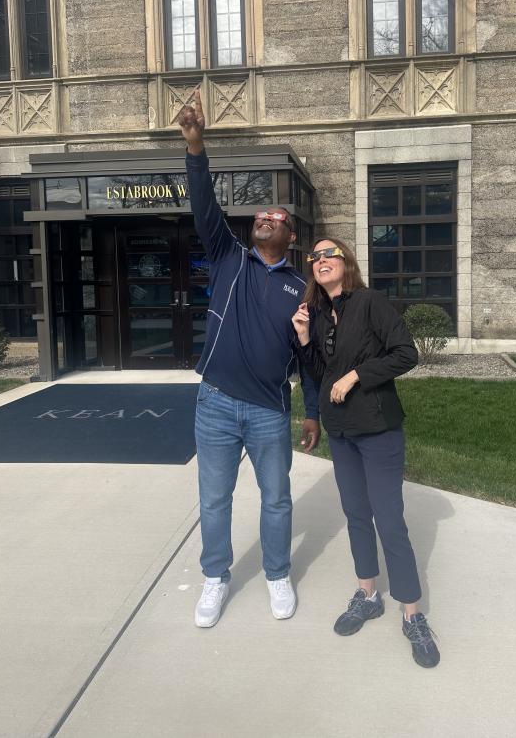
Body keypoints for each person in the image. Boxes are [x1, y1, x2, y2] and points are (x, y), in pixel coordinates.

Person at [179, 90, 320, 628]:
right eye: (259, 215)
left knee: (277, 499)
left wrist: (312, 413)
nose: (264, 217)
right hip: (214, 404)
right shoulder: (226, 257)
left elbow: (308, 359)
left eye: (275, 216)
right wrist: (196, 147)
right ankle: (216, 577)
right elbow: (204, 205)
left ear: (290, 235)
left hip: (267, 410)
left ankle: (278, 574)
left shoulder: (300, 288)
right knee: (214, 501)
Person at [291, 238, 440, 668]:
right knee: (356, 514)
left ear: (345, 263)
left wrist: (357, 375)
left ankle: (412, 614)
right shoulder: (318, 316)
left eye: (327, 254)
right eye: (314, 258)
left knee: (389, 519)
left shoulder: (371, 303)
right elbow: (320, 373)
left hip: (378, 430)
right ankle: (368, 594)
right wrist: (303, 338)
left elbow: (405, 354)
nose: (320, 261)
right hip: (342, 433)